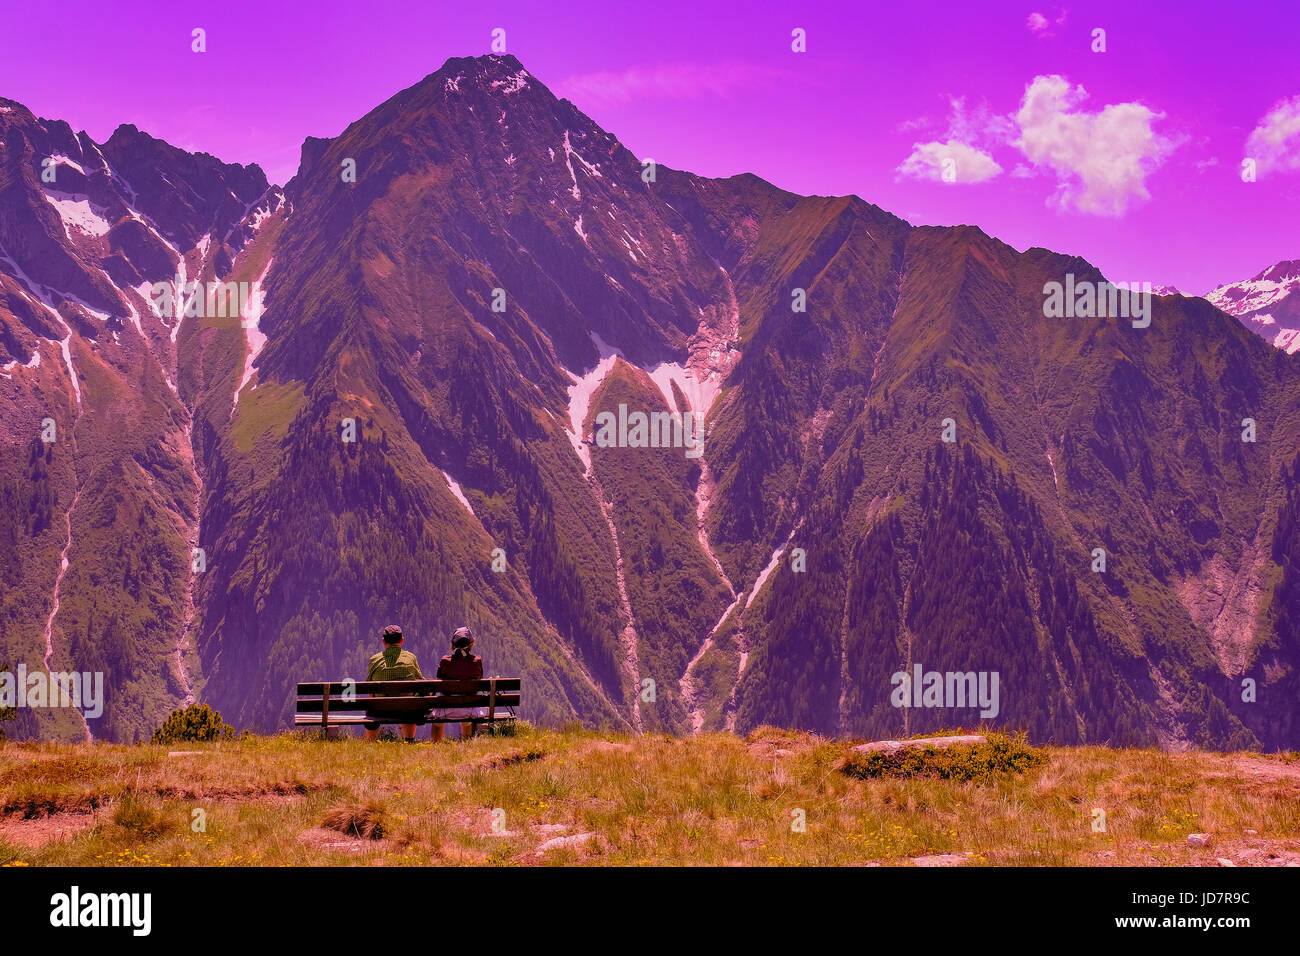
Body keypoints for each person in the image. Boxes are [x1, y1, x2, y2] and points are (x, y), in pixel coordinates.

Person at [364, 624, 425, 743]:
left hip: (379, 710)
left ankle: (371, 742)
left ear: (383, 641)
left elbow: (369, 689)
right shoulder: (411, 658)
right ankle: (409, 740)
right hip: (406, 709)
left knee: (371, 706)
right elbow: (420, 682)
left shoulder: (374, 660)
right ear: (402, 640)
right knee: (411, 702)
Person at [431, 626, 485, 741]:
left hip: (446, 708)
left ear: (453, 645)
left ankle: (435, 746)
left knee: (437, 723)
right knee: (467, 719)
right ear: (471, 644)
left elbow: (439, 678)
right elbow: (480, 678)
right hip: (469, 709)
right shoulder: (476, 661)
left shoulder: (445, 660)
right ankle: (465, 743)